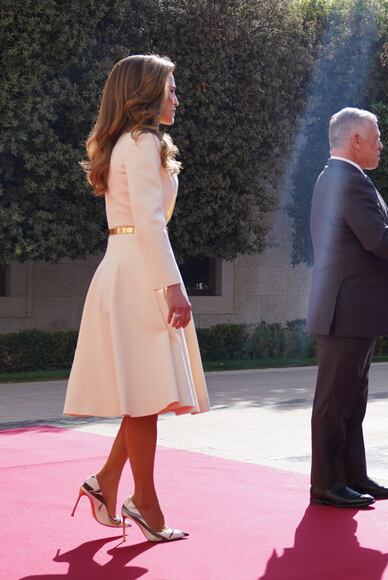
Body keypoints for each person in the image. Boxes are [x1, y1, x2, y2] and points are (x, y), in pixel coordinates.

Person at [64, 54, 209, 542]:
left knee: (144, 396)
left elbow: (145, 219)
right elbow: (149, 220)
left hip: (126, 264)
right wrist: (174, 286)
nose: (176, 97)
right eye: (170, 88)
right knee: (146, 397)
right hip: (139, 272)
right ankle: (144, 504)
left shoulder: (130, 143)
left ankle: (107, 483)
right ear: (144, 93)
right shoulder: (141, 141)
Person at [307, 107, 388, 508]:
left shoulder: (347, 179)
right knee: (334, 402)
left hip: (352, 309)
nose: (381, 144)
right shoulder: (346, 181)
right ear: (355, 139)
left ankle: (352, 476)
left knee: (352, 400)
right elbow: (376, 237)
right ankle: (325, 483)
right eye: (376, 137)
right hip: (346, 309)